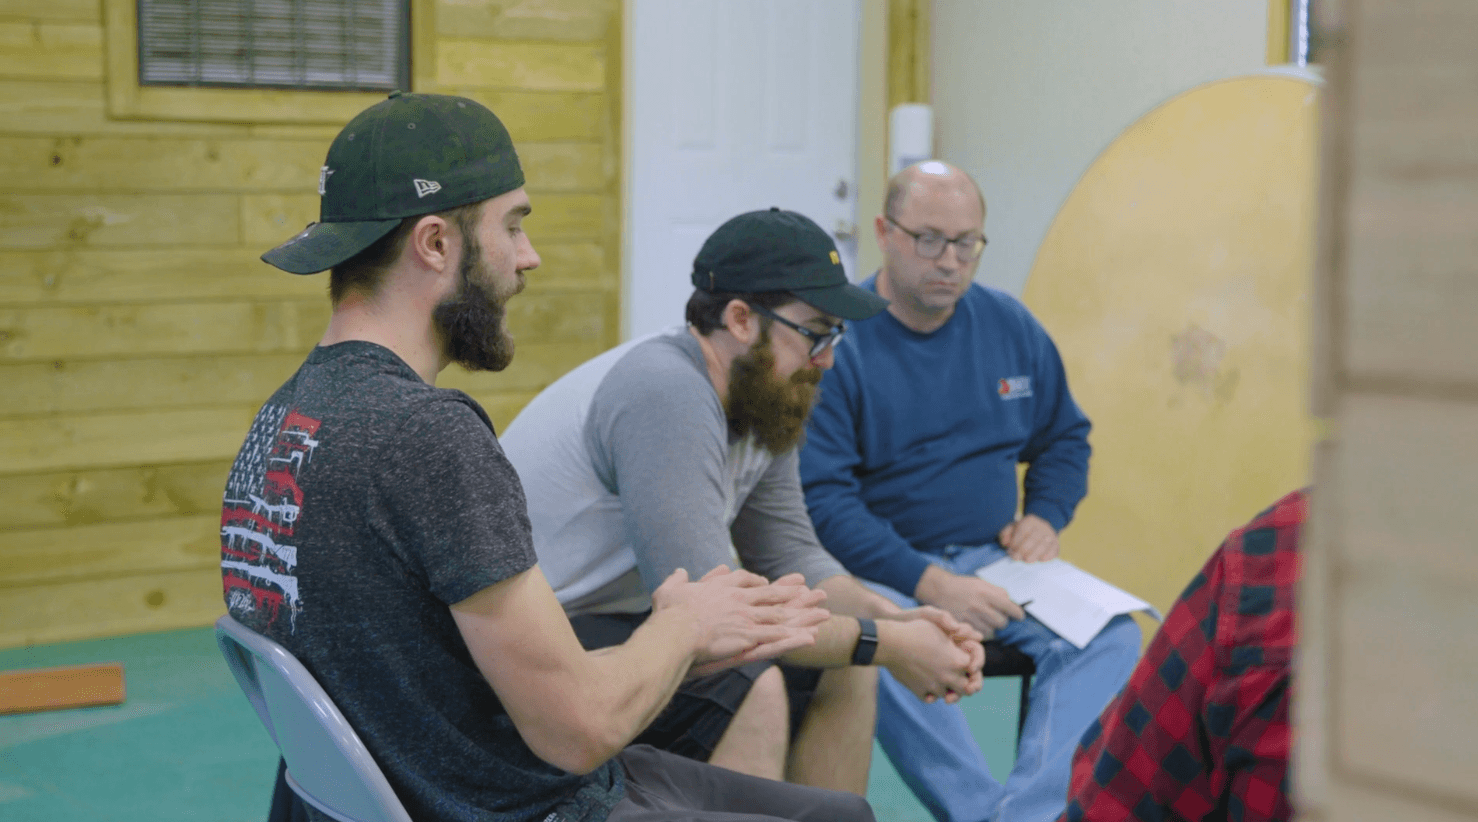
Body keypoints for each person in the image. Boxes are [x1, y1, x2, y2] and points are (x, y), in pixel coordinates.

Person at [223, 91, 875, 822]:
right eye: (512, 225)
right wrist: (685, 621)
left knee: (838, 812)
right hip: (520, 801)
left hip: (438, 776)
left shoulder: (284, 418)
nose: (527, 258)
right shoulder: (426, 434)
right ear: (436, 244)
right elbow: (578, 730)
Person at [500, 208, 988, 796]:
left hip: (625, 620)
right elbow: (718, 619)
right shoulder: (667, 390)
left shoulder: (762, 392)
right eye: (814, 332)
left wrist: (895, 621)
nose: (827, 358)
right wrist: (890, 641)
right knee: (747, 682)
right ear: (739, 320)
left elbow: (794, 558)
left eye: (835, 335)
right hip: (534, 648)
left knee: (853, 665)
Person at [798, 160, 1142, 822]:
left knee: (1111, 637)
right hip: (883, 570)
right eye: (928, 238)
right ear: (884, 232)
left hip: (995, 560)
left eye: (966, 243)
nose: (949, 260)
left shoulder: (1012, 327)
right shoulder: (840, 346)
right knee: (876, 638)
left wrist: (1045, 513)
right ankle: (984, 814)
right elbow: (826, 502)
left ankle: (1027, 815)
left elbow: (1066, 439)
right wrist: (930, 584)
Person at [1060, 490, 1303, 822]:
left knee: (1112, 637)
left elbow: (1063, 446)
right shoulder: (1270, 552)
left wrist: (1043, 516)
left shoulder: (1272, 550)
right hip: (978, 568)